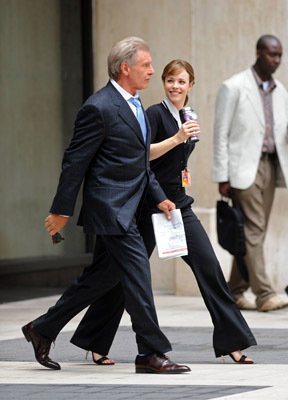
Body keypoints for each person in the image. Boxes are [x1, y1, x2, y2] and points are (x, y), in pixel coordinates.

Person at [21, 37, 191, 375]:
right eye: (146, 65)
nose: (152, 70)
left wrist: (159, 196)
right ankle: (150, 353)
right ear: (125, 68)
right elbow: (75, 162)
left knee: (100, 278)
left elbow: (140, 162)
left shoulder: (136, 104)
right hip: (111, 209)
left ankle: (42, 328)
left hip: (132, 205)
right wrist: (61, 210)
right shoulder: (98, 107)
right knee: (139, 275)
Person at [71, 59, 256, 365]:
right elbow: (142, 155)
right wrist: (177, 138)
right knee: (121, 275)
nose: (175, 86)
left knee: (209, 268)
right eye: (170, 80)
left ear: (191, 86)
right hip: (147, 205)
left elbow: (180, 161)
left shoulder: (188, 114)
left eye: (181, 82)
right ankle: (95, 341)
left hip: (179, 205)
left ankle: (233, 342)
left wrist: (184, 143)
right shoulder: (153, 114)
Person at [213, 34, 288, 312]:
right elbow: (220, 133)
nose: (277, 60)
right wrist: (222, 176)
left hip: (271, 166)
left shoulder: (280, 91)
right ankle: (265, 294)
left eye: (280, 55)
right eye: (272, 54)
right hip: (242, 168)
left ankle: (234, 290)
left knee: (253, 232)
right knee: (255, 230)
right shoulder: (233, 87)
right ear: (258, 53)